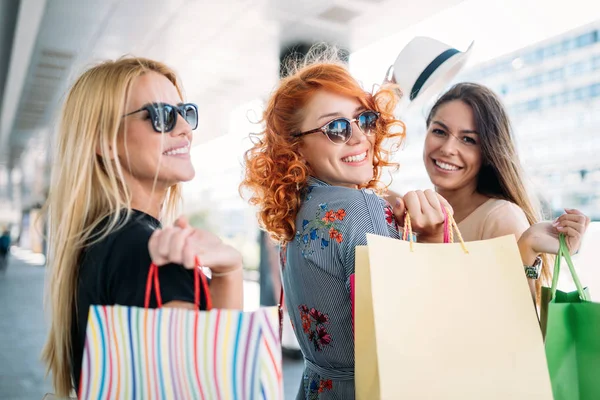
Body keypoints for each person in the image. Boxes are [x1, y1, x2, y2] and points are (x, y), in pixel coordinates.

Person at [241, 51, 452, 399]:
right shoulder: (360, 206)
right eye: (336, 128)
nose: (359, 137)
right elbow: (409, 334)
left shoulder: (297, 211)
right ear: (295, 148)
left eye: (364, 120)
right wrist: (431, 240)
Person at [42, 57, 244, 397]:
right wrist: (231, 269)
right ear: (105, 141)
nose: (184, 128)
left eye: (184, 112)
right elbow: (214, 385)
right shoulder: (150, 251)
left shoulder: (102, 237)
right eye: (161, 115)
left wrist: (228, 268)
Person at [406, 82, 590, 300]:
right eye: (439, 131)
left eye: (468, 139)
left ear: (488, 151)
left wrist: (527, 247)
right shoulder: (417, 211)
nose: (447, 149)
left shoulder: (499, 217)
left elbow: (520, 327)